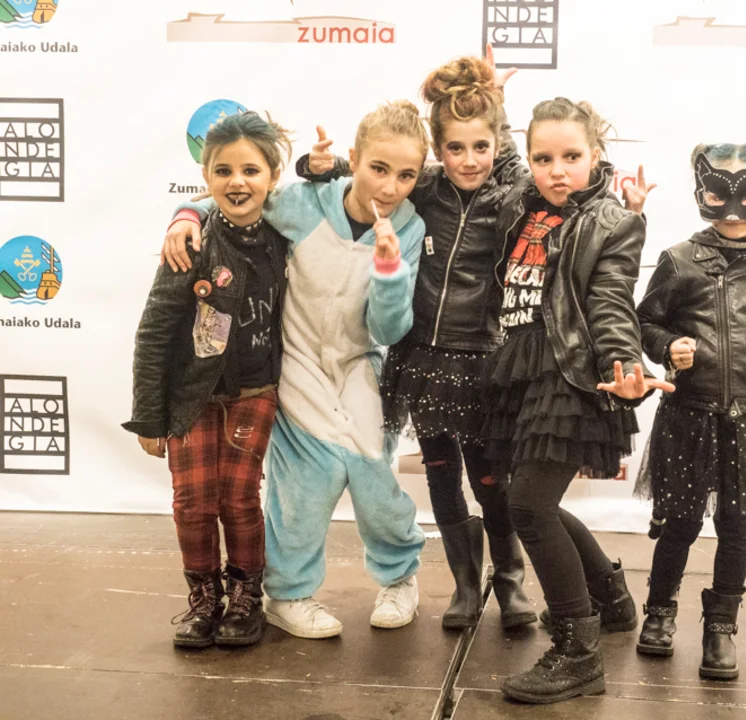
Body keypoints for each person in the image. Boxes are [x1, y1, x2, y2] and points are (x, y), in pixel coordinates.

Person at [160, 101, 430, 638]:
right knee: (308, 480)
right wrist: (186, 214)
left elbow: (389, 328)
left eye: (406, 176)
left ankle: (400, 577)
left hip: (359, 364)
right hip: (298, 361)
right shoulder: (306, 203)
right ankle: (288, 594)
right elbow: (236, 199)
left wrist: (388, 270)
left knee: (374, 477)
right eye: (378, 169)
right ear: (354, 159)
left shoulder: (410, 225)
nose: (390, 187)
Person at [296, 48, 545, 631]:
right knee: (440, 474)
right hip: (424, 359)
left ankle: (509, 580)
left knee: (491, 480)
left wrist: (498, 107)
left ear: (497, 143)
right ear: (437, 148)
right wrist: (314, 166)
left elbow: (537, 169)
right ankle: (464, 584)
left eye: (481, 146)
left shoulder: (510, 191)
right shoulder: (423, 188)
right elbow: (362, 175)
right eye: (455, 147)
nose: (469, 159)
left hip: (485, 358)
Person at [485, 97, 673, 704]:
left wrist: (625, 365)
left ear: (596, 156)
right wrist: (493, 104)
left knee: (528, 507)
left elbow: (611, 301)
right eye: (544, 158)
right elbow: (503, 158)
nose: (556, 170)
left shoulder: (611, 222)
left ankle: (577, 652)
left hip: (569, 376)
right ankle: (610, 601)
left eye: (571, 157)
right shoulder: (523, 199)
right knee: (531, 499)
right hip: (521, 369)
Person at [634, 143, 746, 680]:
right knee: (681, 523)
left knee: (737, 525)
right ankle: (659, 611)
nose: (733, 208)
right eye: (718, 194)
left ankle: (721, 626)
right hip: (690, 415)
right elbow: (646, 322)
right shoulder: (679, 260)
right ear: (701, 192)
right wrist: (667, 346)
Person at [123, 111, 292, 648]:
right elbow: (154, 333)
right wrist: (149, 417)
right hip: (190, 397)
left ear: (273, 176)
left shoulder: (286, 235)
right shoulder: (190, 244)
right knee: (192, 502)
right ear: (206, 176)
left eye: (251, 170)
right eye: (223, 171)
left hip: (255, 392)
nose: (237, 182)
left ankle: (245, 597)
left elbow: (333, 198)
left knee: (239, 498)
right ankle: (203, 598)